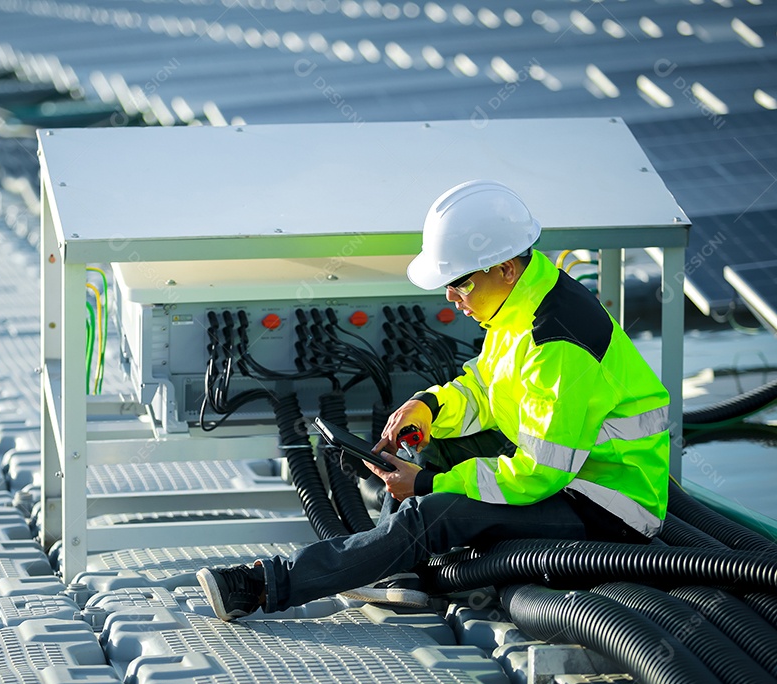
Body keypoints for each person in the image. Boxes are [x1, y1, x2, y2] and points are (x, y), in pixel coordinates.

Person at [197, 179, 671, 621]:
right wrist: (428, 407)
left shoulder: (556, 342)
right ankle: (398, 574)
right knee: (425, 444)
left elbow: (540, 473)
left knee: (435, 512)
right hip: (571, 477)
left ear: (504, 269)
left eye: (460, 281)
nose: (450, 296)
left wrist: (427, 484)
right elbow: (486, 388)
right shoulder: (523, 299)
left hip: (604, 509)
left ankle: (264, 585)